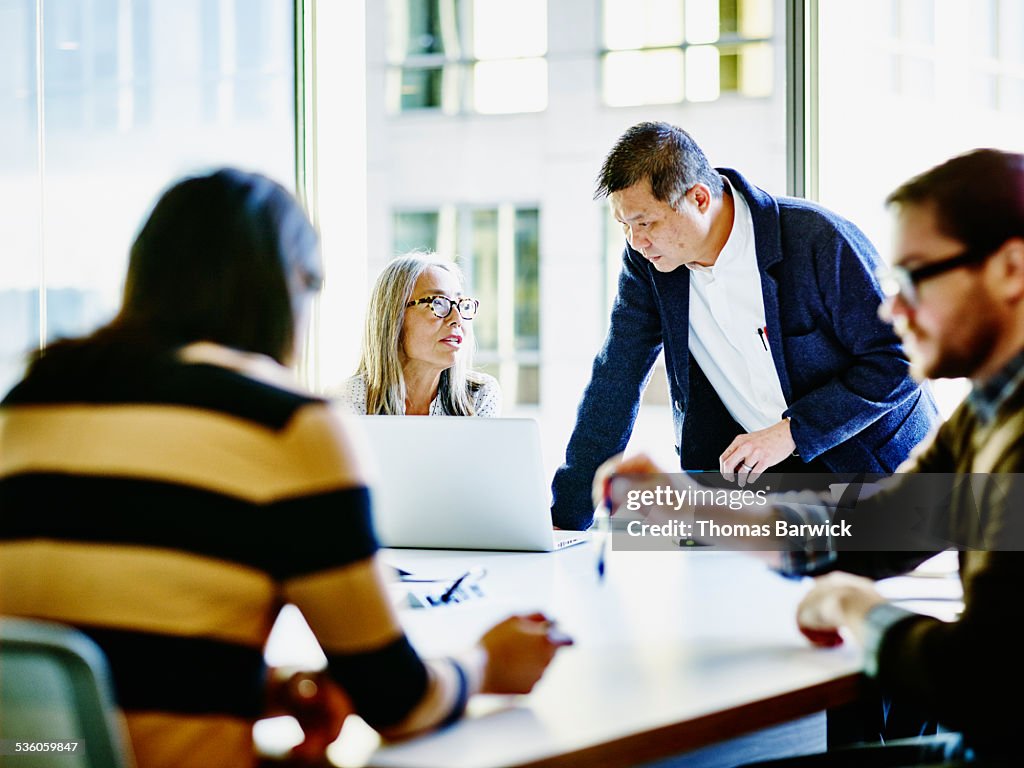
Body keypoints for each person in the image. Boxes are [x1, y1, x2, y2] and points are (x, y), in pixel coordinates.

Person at [0, 169, 571, 768]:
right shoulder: (283, 423)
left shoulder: (30, 400)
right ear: (288, 288)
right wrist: (486, 664)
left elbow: (80, 668)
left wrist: (264, 690)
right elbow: (397, 704)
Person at [600, 148, 1024, 766]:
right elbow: (872, 526)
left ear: (1012, 269)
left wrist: (856, 606)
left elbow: (977, 682)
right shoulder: (984, 417)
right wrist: (690, 510)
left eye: (914, 277)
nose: (890, 309)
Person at [552, 121, 938, 532]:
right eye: (624, 226)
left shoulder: (818, 239)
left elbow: (903, 358)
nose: (635, 241)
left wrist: (794, 431)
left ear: (699, 199)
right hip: (755, 493)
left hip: (876, 476)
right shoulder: (649, 265)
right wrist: (565, 519)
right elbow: (617, 376)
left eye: (645, 223)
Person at [335, 253, 501, 416]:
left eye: (460, 304)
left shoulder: (479, 396)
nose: (457, 318)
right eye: (438, 303)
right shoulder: (348, 400)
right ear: (394, 316)